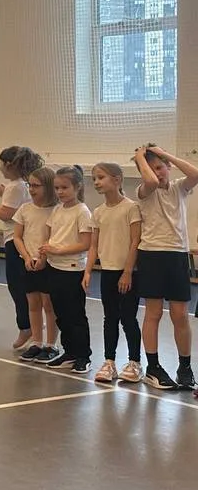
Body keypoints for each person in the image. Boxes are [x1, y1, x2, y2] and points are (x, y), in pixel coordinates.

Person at [131, 144, 198, 390]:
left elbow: (196, 174)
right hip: (152, 255)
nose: (156, 173)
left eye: (160, 168)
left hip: (177, 254)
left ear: (169, 166)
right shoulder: (144, 190)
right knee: (154, 313)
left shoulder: (179, 187)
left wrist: (164, 154)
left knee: (180, 314)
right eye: (150, 169)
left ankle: (185, 367)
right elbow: (149, 180)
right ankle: (153, 367)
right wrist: (140, 156)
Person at [0, 146, 44, 349]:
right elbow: (15, 211)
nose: (0, 168)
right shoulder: (21, 185)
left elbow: (6, 215)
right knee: (26, 287)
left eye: (1, 164)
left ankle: (26, 327)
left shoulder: (16, 186)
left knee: (18, 287)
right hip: (24, 239)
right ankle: (32, 326)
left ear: (9, 164)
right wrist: (4, 195)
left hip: (15, 241)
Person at [86, 162, 142, 384]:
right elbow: (93, 245)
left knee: (128, 318)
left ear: (117, 180)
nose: (96, 182)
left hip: (128, 273)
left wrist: (127, 272)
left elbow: (135, 241)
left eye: (101, 177)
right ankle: (109, 362)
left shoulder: (131, 208)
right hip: (107, 272)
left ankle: (135, 362)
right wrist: (88, 271)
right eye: (94, 178)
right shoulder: (98, 212)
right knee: (110, 318)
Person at [39, 166, 93, 373]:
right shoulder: (57, 210)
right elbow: (50, 235)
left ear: (77, 187)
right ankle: (69, 352)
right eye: (57, 188)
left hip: (72, 270)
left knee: (75, 314)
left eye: (64, 187)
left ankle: (83, 355)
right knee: (60, 313)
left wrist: (59, 250)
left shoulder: (82, 212)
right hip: (54, 267)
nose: (60, 192)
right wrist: (44, 252)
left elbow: (85, 243)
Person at [12, 168, 61, 363]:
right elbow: (17, 236)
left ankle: (51, 344)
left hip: (48, 264)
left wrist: (43, 258)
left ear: (48, 187)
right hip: (29, 262)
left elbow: (53, 238)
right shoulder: (25, 209)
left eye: (36, 186)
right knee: (33, 304)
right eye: (29, 185)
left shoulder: (56, 210)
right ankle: (37, 342)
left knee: (49, 305)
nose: (31, 189)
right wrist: (26, 257)